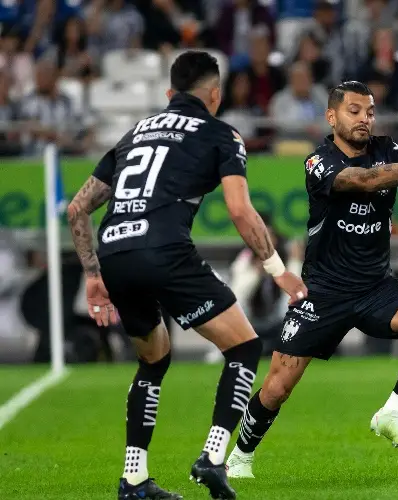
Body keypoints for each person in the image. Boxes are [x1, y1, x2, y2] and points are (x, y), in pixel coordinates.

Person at [66, 50, 307, 500]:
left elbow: (77, 208)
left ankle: (133, 479)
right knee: (245, 345)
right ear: (215, 95)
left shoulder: (132, 134)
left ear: (168, 93)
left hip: (114, 253)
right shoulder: (221, 134)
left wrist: (92, 274)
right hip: (164, 251)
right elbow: (239, 208)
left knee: (153, 359)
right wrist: (278, 270)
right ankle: (212, 458)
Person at [223, 81, 398, 478]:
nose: (364, 119)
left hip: (377, 287)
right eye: (354, 111)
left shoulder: (387, 149)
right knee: (277, 387)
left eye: (370, 112)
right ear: (332, 116)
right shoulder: (318, 161)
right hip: (323, 293)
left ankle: (393, 410)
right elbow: (365, 181)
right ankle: (239, 457)